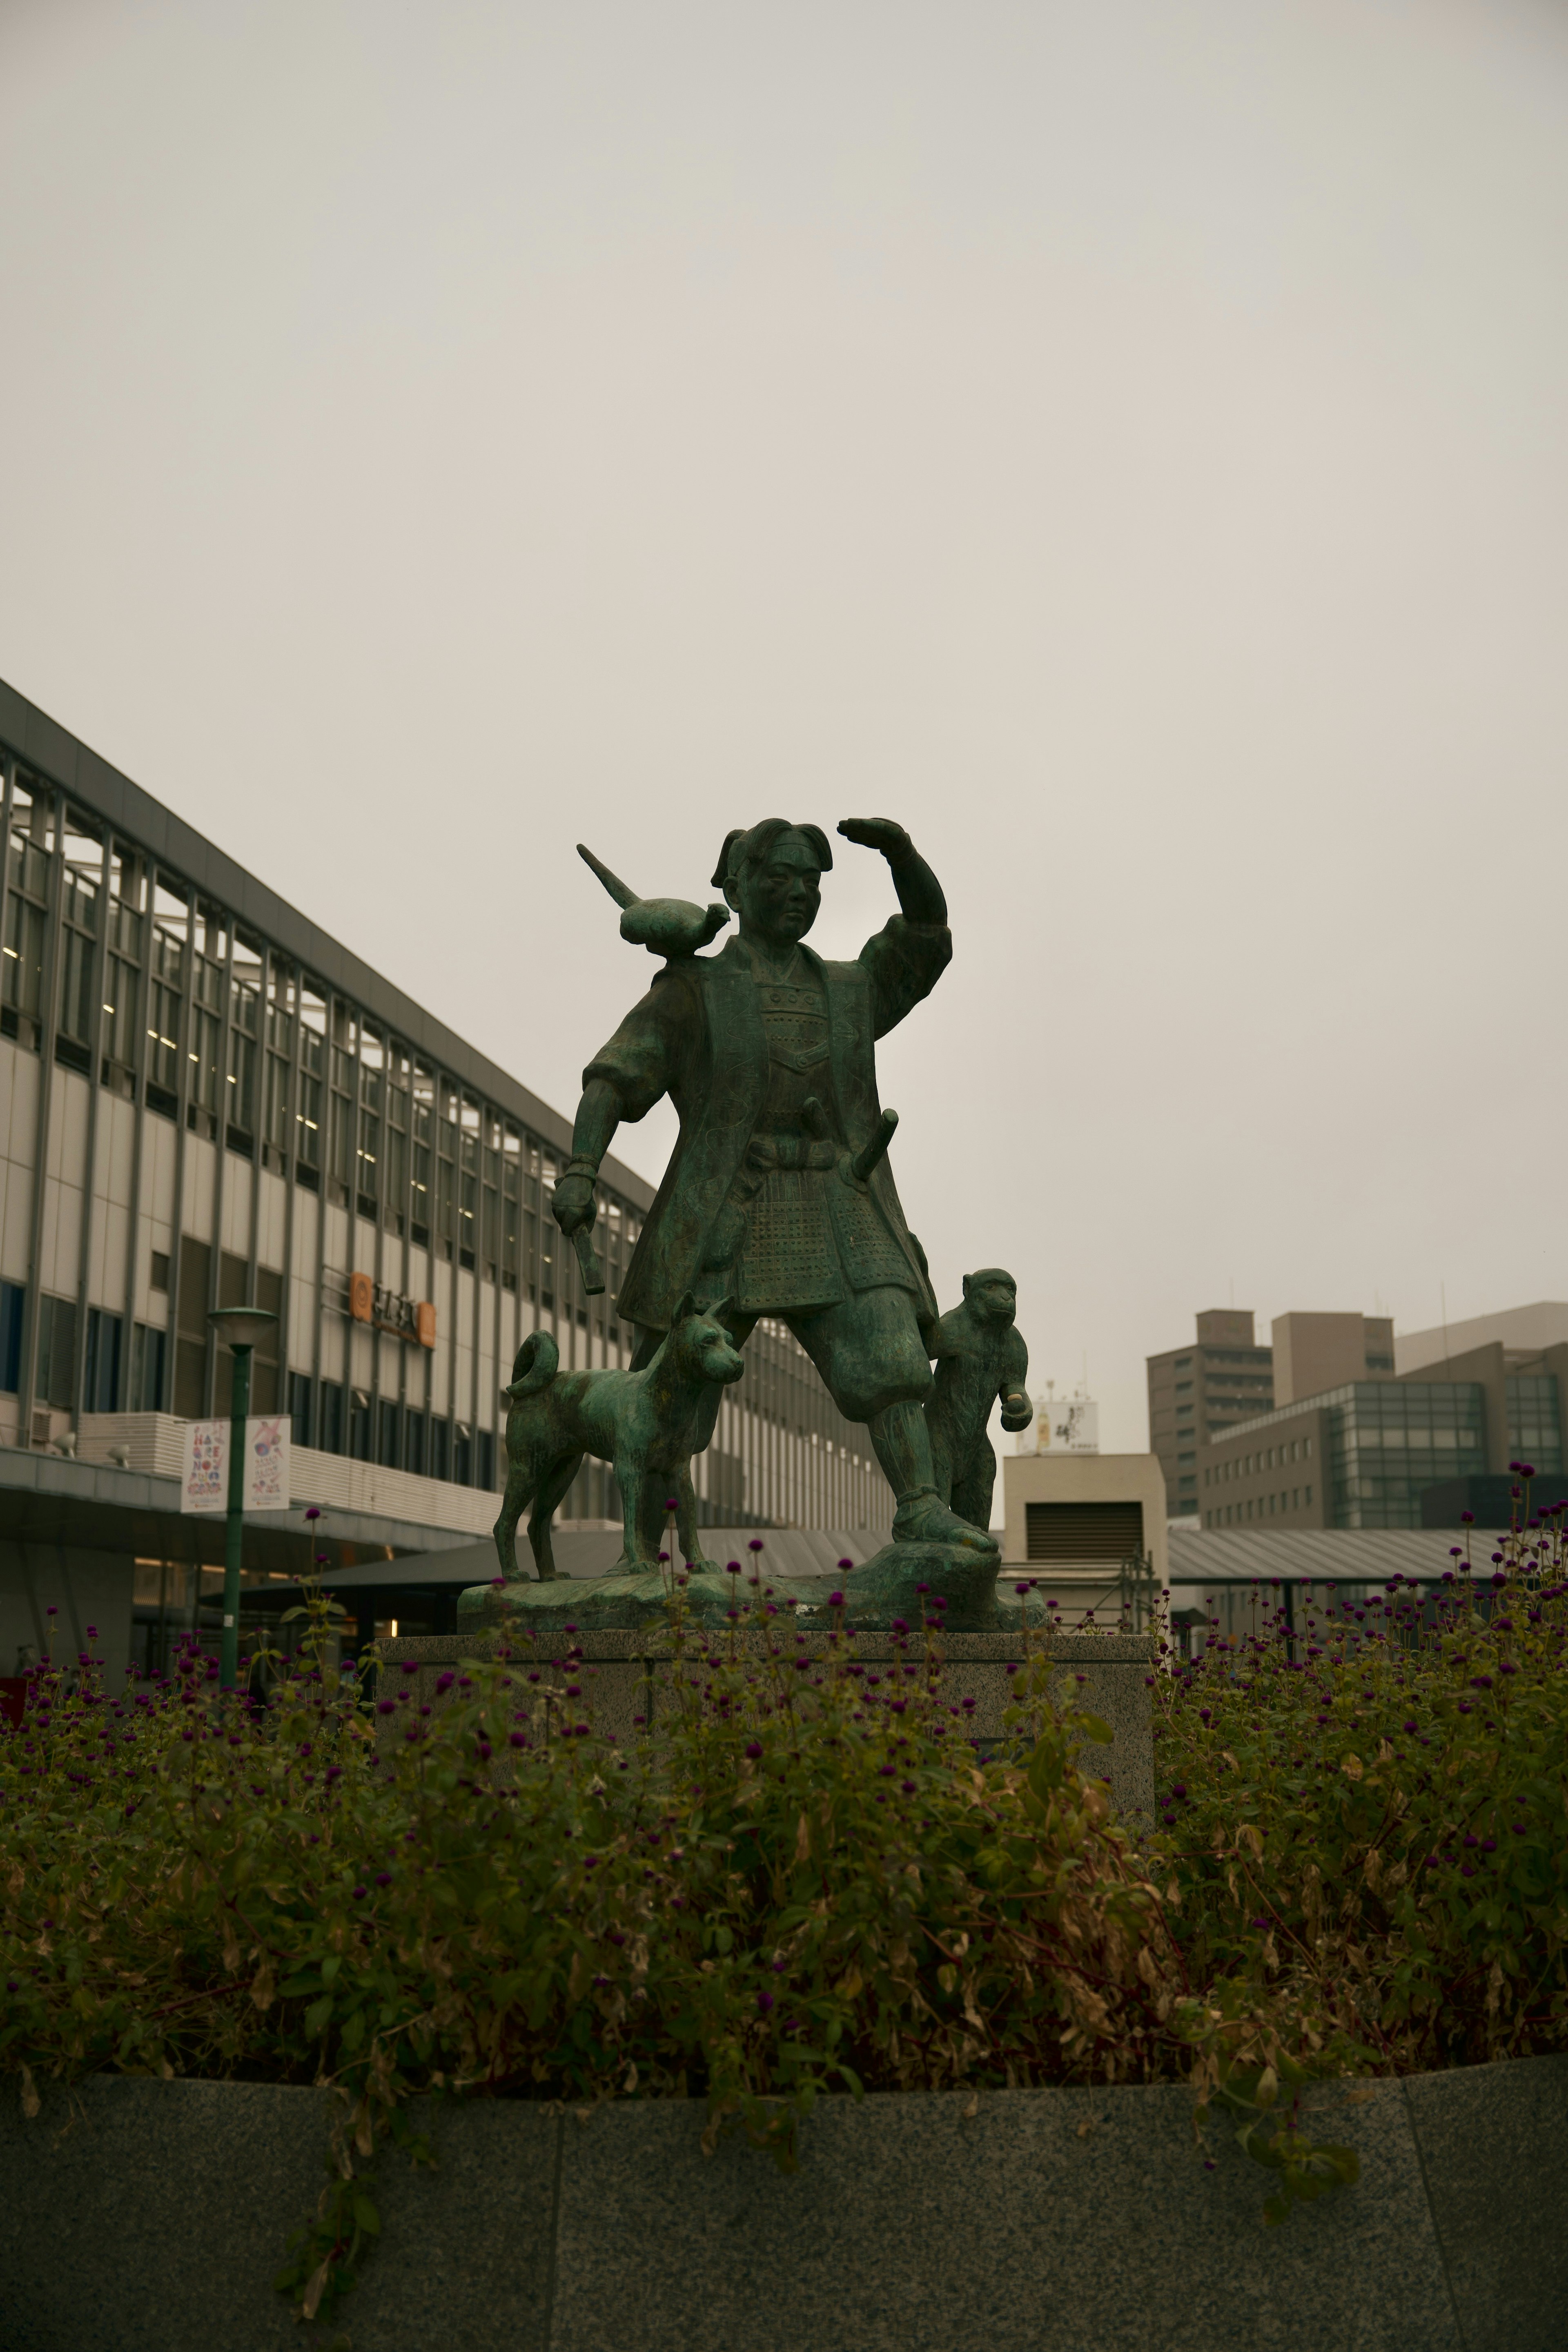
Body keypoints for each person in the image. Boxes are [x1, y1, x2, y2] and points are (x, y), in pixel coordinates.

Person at [551, 817, 994, 1553]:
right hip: (731, 1204)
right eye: (779, 877)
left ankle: (920, 1505)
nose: (798, 893)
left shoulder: (850, 991)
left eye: (812, 882)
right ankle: (647, 1555)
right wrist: (579, 1169)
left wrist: (903, 856)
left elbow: (926, 937)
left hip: (838, 1199)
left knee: (891, 1357)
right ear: (735, 885)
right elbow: (614, 1076)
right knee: (671, 1394)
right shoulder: (695, 990)